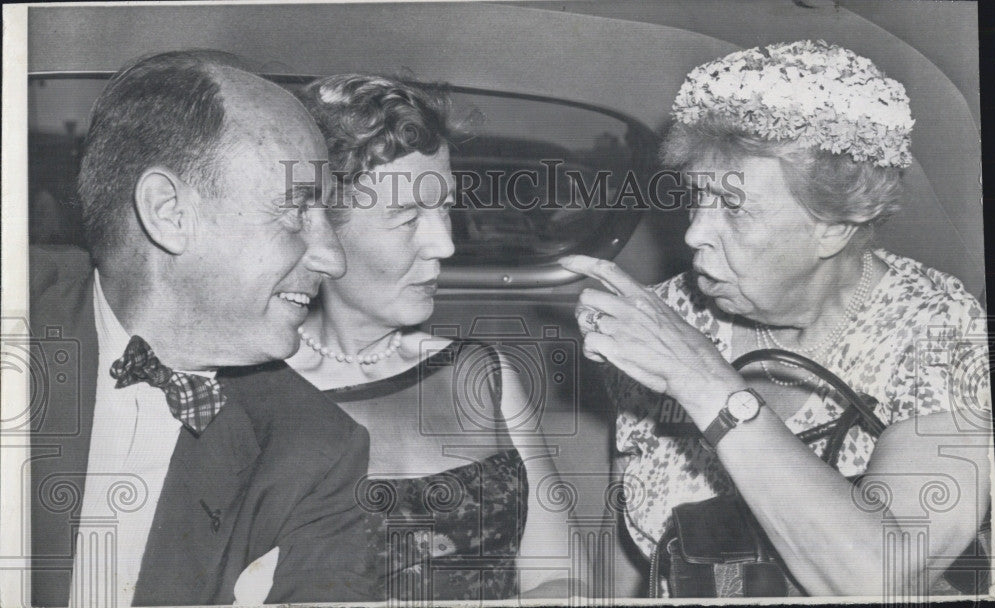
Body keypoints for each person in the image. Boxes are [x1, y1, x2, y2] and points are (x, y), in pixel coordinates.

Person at [560, 40, 991, 597]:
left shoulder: (940, 329)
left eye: (734, 209)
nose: (693, 233)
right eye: (696, 198)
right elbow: (629, 550)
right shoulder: (668, 316)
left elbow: (884, 576)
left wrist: (705, 382)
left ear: (833, 224)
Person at [29, 50, 374, 606]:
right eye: (296, 210)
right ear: (168, 213)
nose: (333, 259)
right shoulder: (19, 310)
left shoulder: (317, 453)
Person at [287, 73, 585, 600]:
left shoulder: (483, 372)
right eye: (407, 218)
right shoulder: (254, 394)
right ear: (321, 230)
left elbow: (563, 578)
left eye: (444, 207)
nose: (444, 245)